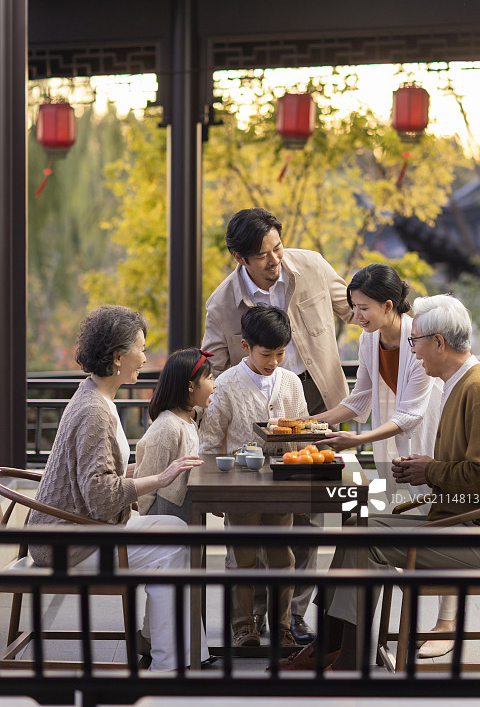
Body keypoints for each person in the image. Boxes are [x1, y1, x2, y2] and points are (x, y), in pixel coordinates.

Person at [281, 293, 480, 671]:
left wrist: (430, 471)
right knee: (356, 523)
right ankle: (333, 646)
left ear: (439, 343)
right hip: (464, 519)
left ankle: (347, 656)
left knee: (366, 538)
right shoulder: (461, 383)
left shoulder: (479, 391)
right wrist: (427, 469)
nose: (414, 352)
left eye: (418, 343)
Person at [201, 206, 356, 643]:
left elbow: (357, 311)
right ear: (239, 258)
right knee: (251, 530)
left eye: (278, 248)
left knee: (305, 518)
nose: (275, 261)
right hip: (253, 410)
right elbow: (211, 371)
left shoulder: (310, 265)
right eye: (264, 255)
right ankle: (249, 621)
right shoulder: (222, 304)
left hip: (315, 398)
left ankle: (291, 616)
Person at [27, 305, 210, 672]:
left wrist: (143, 472)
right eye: (141, 348)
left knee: (178, 533)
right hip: (69, 541)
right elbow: (100, 496)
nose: (145, 357)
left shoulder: (94, 395)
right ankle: (169, 664)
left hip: (75, 528)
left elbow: (96, 475)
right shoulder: (95, 410)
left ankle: (182, 655)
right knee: (173, 543)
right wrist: (158, 478)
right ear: (118, 356)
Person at [199, 304, 308, 648]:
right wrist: (213, 492)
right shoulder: (227, 384)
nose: (274, 361)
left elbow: (303, 430)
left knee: (282, 557)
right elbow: (209, 443)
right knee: (241, 556)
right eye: (266, 354)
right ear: (245, 346)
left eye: (280, 353)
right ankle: (243, 627)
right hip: (238, 488)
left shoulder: (290, 382)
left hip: (282, 485)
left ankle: (281, 626)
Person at [315, 262, 443, 504]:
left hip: (439, 430)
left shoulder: (420, 339)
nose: (356, 315)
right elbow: (360, 398)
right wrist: (308, 422)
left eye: (363, 307)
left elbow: (410, 415)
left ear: (387, 306)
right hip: (410, 425)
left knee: (432, 504)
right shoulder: (369, 338)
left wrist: (357, 440)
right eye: (353, 306)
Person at [134, 348, 216, 524]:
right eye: (210, 378)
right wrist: (153, 523)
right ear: (190, 386)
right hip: (166, 518)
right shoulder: (167, 427)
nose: (214, 385)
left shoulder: (188, 420)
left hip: (186, 511)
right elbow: (146, 482)